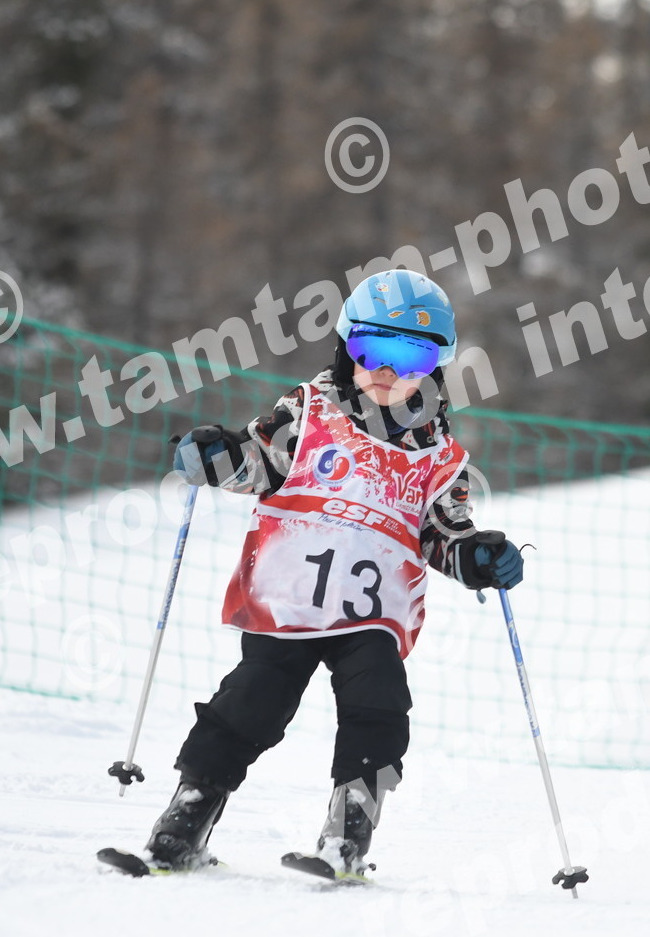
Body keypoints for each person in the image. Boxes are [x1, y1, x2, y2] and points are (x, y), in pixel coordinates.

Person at [146, 269, 525, 877]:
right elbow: (260, 462)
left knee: (379, 702)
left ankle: (349, 829)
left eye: (410, 357)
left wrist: (478, 556)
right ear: (347, 348)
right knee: (252, 701)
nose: (387, 370)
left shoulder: (438, 457)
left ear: (435, 366)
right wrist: (222, 456)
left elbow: (442, 534)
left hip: (372, 614)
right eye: (372, 350)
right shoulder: (309, 412)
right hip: (287, 601)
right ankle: (187, 815)